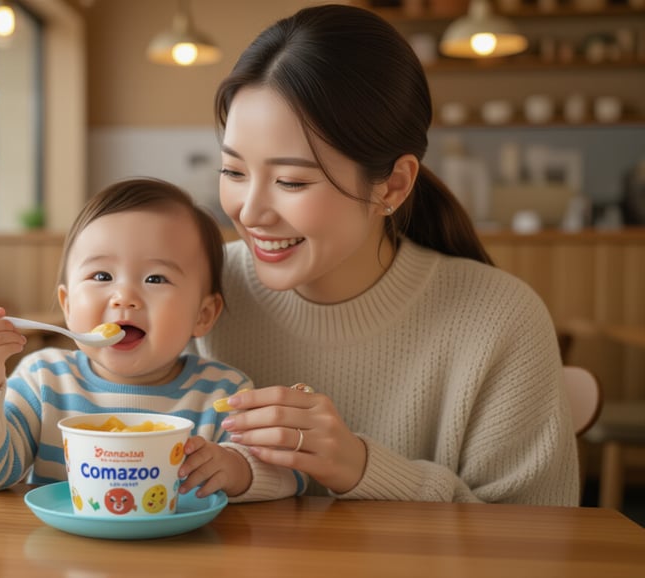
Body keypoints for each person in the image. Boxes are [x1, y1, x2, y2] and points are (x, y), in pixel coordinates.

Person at [189, 4, 579, 506]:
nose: (251, 211)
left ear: (392, 185)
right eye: (233, 172)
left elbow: (539, 542)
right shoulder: (201, 294)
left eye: (291, 181)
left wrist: (361, 469)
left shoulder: (500, 319)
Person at [0, 178, 304, 502]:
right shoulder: (44, 380)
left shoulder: (221, 394)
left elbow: (291, 477)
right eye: (101, 276)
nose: (123, 297)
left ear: (203, 315)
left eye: (156, 279)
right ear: (68, 305)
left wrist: (238, 469)